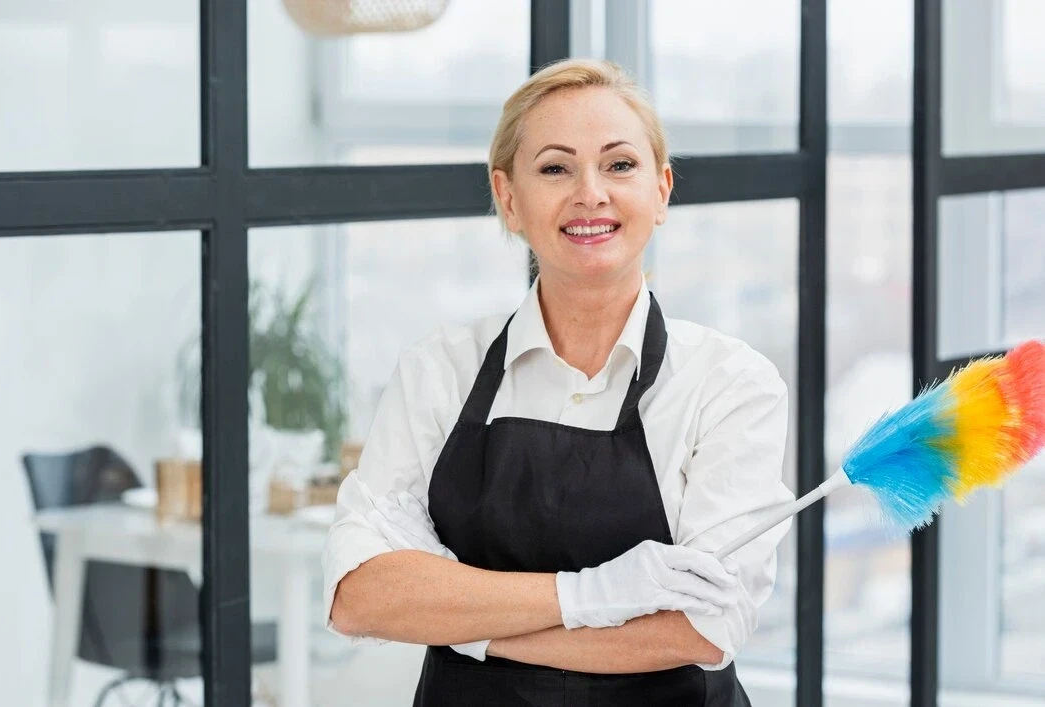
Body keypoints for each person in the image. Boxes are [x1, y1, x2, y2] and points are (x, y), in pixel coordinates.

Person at [321, 58, 794, 706]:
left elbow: (701, 630)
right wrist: (589, 596)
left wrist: (466, 624)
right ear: (509, 199)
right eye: (554, 167)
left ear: (661, 191)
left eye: (619, 164)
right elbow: (360, 594)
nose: (590, 192)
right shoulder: (440, 372)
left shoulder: (730, 385)